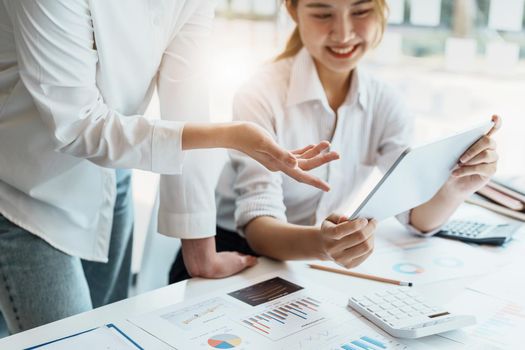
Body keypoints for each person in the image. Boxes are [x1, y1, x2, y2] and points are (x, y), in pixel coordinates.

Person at [0, 1, 338, 334]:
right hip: (24, 192)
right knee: (67, 342)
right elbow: (77, 126)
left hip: (110, 178)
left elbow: (186, 104)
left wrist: (202, 253)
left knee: (108, 334)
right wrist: (230, 135)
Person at [169, 0, 501, 283]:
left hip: (305, 260)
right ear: (293, 10)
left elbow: (415, 217)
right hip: (233, 257)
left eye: (360, 11)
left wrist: (459, 183)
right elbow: (258, 225)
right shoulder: (260, 93)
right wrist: (325, 244)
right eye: (322, 13)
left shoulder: (386, 102)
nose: (343, 33)